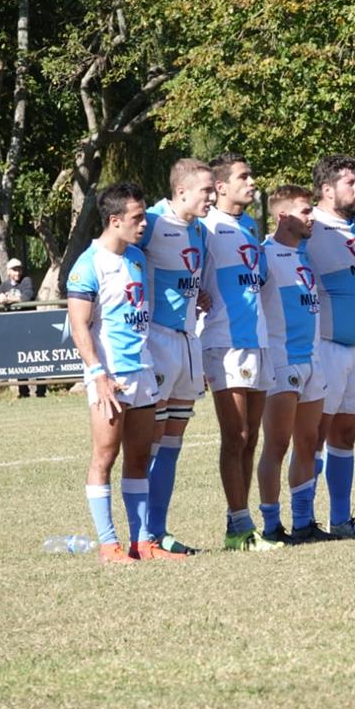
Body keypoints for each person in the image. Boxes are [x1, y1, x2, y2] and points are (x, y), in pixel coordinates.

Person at [65, 181, 180, 563]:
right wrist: (98, 375)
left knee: (139, 457)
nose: (145, 224)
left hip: (143, 371)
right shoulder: (88, 265)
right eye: (137, 218)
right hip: (110, 376)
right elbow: (79, 327)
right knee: (105, 456)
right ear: (115, 220)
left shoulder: (135, 257)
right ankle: (108, 545)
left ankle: (141, 543)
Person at [198, 152, 278, 551]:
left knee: (251, 437)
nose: (252, 182)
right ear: (220, 187)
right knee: (236, 434)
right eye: (243, 177)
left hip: (257, 339)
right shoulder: (204, 226)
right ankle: (239, 528)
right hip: (224, 340)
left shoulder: (249, 225)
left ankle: (241, 524)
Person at [136, 158, 213, 555]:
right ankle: (142, 534)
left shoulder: (199, 229)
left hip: (188, 341)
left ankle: (159, 529)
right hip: (158, 340)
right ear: (181, 191)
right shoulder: (150, 222)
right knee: (151, 440)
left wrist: (198, 295)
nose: (212, 197)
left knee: (173, 440)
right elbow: (122, 261)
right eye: (206, 190)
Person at [255, 185, 331, 544]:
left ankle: (304, 522)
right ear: (282, 216)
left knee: (309, 442)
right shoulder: (264, 255)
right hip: (281, 362)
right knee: (277, 445)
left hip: (313, 360)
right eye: (305, 211)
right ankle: (272, 525)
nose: (312, 217)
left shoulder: (304, 256)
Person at [307, 154, 355, 539]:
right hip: (327, 347)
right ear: (327, 189)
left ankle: (341, 518)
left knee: (346, 433)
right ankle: (305, 518)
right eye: (351, 183)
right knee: (315, 434)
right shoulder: (312, 227)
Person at [0, 258, 46, 397]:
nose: (17, 272)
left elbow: (27, 296)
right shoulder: (4, 285)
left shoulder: (26, 281)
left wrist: (8, 300)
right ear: (8, 271)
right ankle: (24, 392)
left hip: (30, 327)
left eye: (19, 269)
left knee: (37, 358)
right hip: (15, 328)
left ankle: (41, 391)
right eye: (14, 270)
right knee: (19, 360)